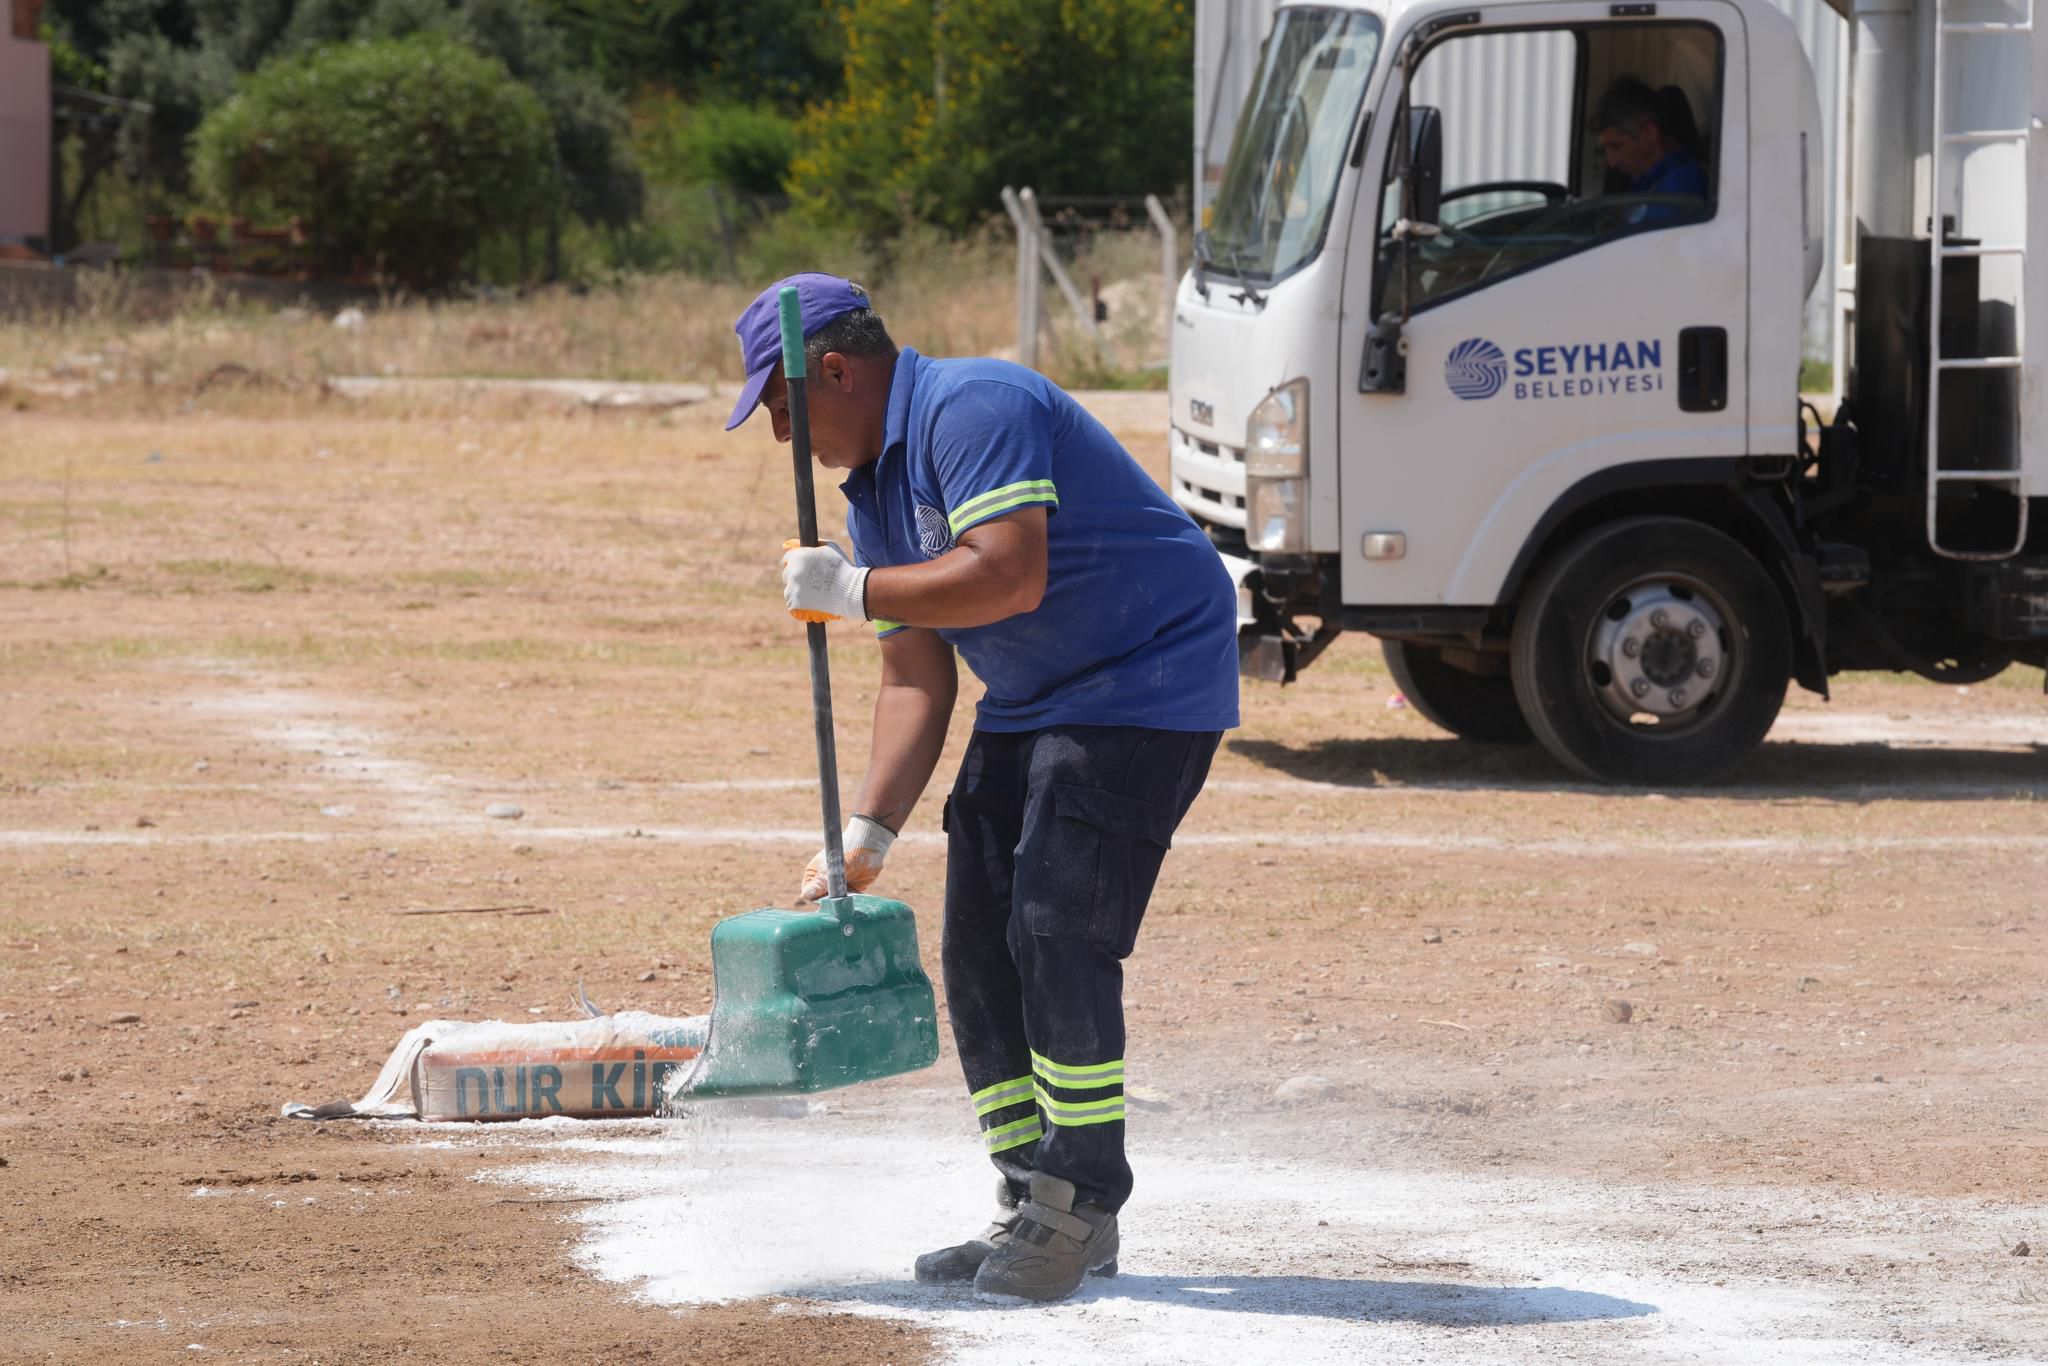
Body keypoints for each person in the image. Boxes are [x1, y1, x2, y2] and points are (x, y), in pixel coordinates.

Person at [725, 273, 1240, 1303]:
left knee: (1056, 925)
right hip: (1037, 694)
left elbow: (1008, 575)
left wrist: (856, 588)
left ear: (833, 371)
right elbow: (916, 675)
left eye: (784, 413)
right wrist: (863, 832)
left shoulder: (975, 406)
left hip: (1146, 674)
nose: (786, 439)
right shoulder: (872, 495)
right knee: (973, 939)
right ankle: (1028, 1193)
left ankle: (1079, 1199)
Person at [1591, 77, 1709, 223]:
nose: (1612, 162)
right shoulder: (1648, 181)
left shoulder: (1679, 187)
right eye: (1605, 150)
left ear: (1649, 133)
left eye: (1616, 147)